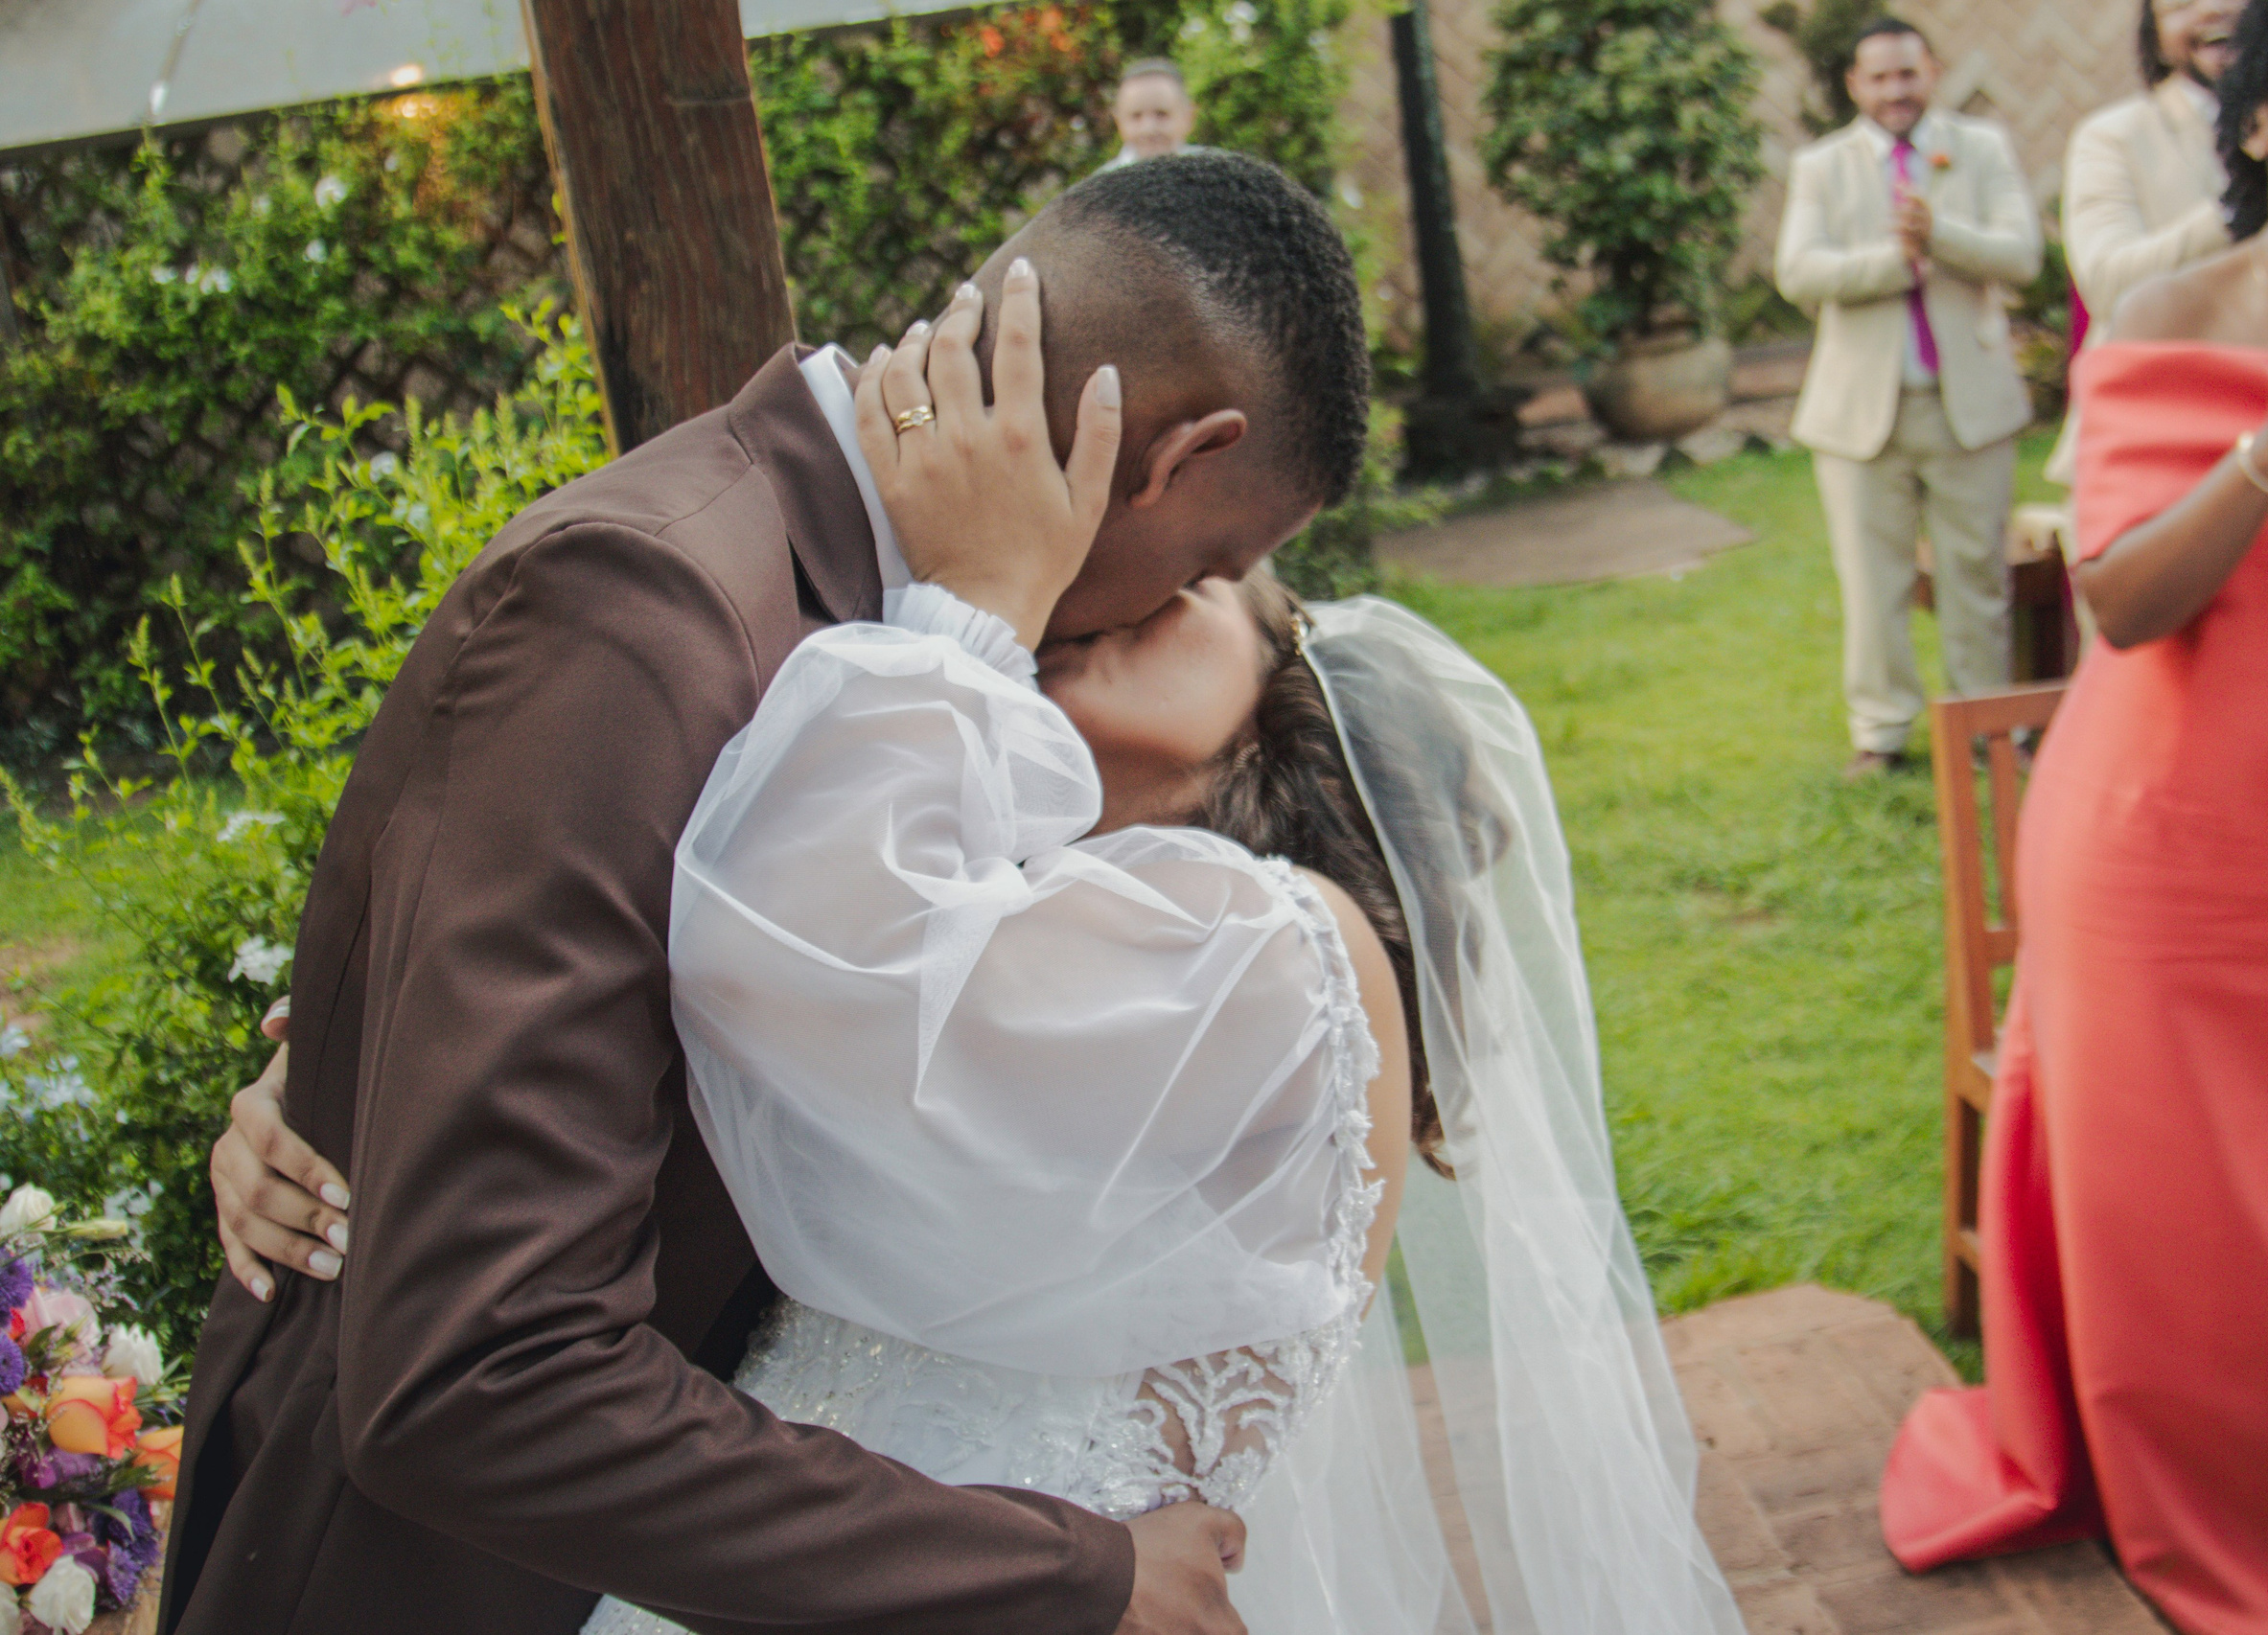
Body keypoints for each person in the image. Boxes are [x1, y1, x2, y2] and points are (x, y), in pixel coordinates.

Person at [202, 282, 1749, 1633]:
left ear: (1288, 732)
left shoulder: (1283, 953)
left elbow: (792, 960)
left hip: (994, 1578)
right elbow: (722, 1025)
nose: (1140, 598)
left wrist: (971, 613)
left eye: (1213, 600)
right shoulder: (1031, 900)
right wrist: (349, 1066)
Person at [163, 150, 1370, 1635]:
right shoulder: (642, 606)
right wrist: (1071, 1575)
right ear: (1182, 457)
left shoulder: (924, 643)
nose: (1184, 603)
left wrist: (356, 1056)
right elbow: (478, 1367)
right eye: (1216, 561)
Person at [1883, 3, 2268, 1630]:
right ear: (2260, 116)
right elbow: (2126, 602)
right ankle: (2192, 1487)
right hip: (2155, 843)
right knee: (2182, 1198)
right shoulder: (2156, 321)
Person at [1775, 17, 2042, 777]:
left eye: (1909, 75)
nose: (1896, 91)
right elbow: (1799, 272)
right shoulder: (1822, 166)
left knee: (1977, 576)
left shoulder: (1982, 150)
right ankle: (1881, 734)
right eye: (1880, 78)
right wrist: (1897, 262)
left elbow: (2021, 255)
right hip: (1862, 414)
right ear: (1856, 85)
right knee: (1872, 583)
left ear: (1933, 74)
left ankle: (1987, 727)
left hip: (1971, 408)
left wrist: (1942, 234)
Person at [2044, 0, 2243, 487]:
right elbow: (2109, 283)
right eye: (2181, 5)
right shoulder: (2114, 137)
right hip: (2154, 441)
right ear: (2153, 33)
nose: (2211, 11)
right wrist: (2242, 205)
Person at [1101, 59, 1200, 171]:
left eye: (1161, 114)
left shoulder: (1211, 174)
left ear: (1188, 117)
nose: (1148, 129)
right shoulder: (1101, 184)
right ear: (1118, 122)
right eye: (1136, 116)